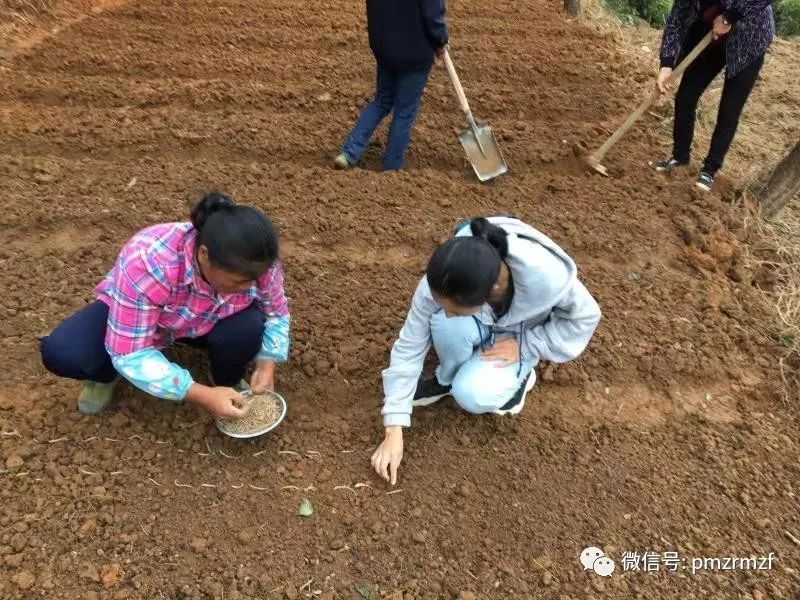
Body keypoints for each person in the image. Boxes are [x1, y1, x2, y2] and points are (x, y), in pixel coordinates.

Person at [371, 217, 601, 484]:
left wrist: (528, 345)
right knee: (443, 323)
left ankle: (519, 383)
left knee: (471, 394)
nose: (445, 311)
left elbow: (586, 317)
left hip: (518, 336)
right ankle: (446, 379)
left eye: (455, 308)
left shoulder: (545, 278)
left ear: (490, 292)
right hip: (484, 319)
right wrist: (394, 427)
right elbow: (411, 343)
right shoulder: (450, 273)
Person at [39, 192, 291, 419]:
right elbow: (130, 352)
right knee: (66, 352)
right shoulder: (150, 263)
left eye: (254, 280)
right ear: (204, 255)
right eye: (240, 282)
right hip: (152, 322)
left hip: (211, 318)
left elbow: (276, 313)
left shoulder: (257, 261)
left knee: (249, 325)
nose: (250, 287)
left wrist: (266, 363)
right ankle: (104, 375)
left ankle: (226, 379)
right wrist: (200, 394)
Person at [654, 0, 774, 191]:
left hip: (749, 41)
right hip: (711, 39)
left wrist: (728, 17)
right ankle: (680, 158)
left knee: (729, 110)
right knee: (686, 96)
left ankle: (709, 171)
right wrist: (666, 64)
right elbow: (676, 22)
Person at [333, 0, 449, 171]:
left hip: (386, 50)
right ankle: (391, 167)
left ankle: (348, 153)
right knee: (404, 112)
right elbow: (432, 14)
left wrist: (379, 46)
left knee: (381, 101)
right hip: (415, 53)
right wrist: (440, 40)